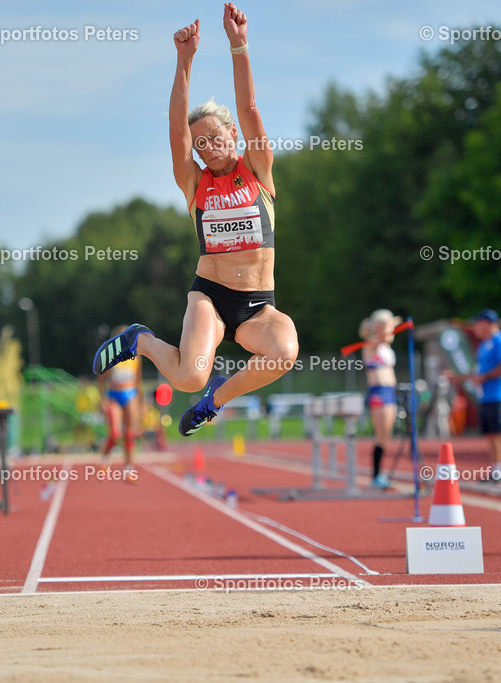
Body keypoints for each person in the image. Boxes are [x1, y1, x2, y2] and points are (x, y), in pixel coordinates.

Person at [92, 4, 299, 437]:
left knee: (284, 352)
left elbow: (249, 105)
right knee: (187, 376)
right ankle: (141, 340)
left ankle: (216, 401)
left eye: (215, 136)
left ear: (234, 136)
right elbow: (175, 130)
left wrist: (237, 44)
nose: (208, 146)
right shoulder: (194, 183)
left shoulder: (257, 169)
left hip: (258, 304)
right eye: (200, 143)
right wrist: (183, 61)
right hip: (210, 294)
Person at [445, 310, 501, 486]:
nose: (475, 327)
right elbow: (477, 372)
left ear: (487, 323)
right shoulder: (484, 344)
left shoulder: (500, 339)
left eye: (478, 323)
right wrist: (457, 377)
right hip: (486, 396)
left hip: (500, 394)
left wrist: (484, 378)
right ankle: (497, 470)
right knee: (492, 434)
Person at [359, 309, 400, 488]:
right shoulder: (370, 344)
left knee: (387, 434)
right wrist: (390, 325)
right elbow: (385, 337)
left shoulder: (385, 346)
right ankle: (376, 475)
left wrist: (391, 324)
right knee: (380, 433)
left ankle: (380, 474)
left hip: (390, 390)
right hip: (379, 391)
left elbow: (388, 338)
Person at [97, 325, 145, 473]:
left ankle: (129, 467)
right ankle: (105, 458)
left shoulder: (136, 357)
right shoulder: (110, 357)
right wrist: (102, 400)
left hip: (130, 394)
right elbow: (101, 381)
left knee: (130, 433)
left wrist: (142, 403)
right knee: (115, 433)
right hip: (114, 396)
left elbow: (138, 382)